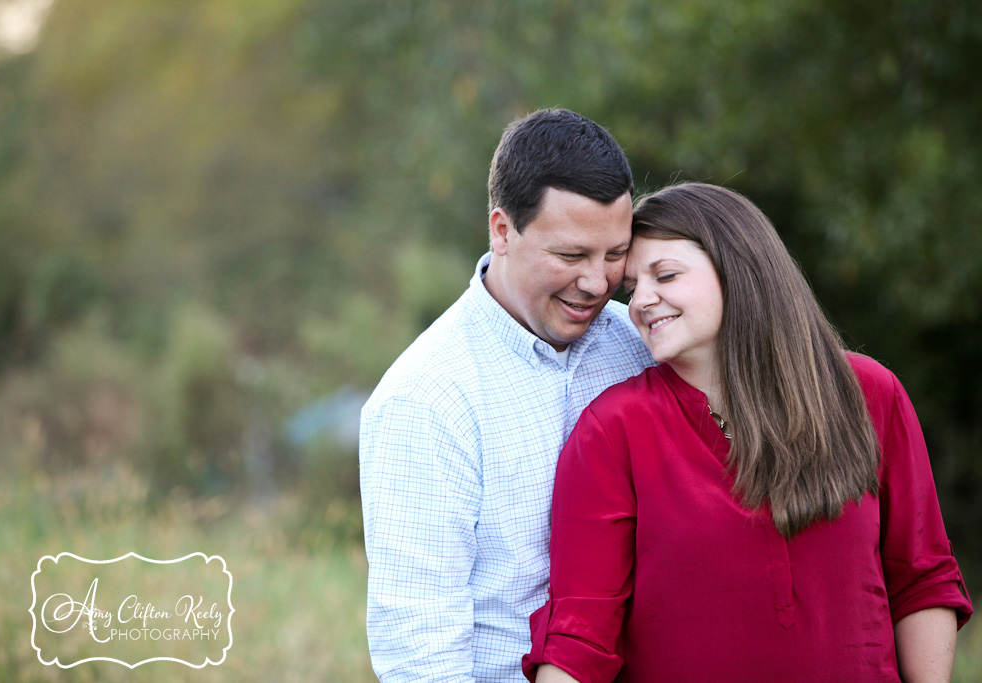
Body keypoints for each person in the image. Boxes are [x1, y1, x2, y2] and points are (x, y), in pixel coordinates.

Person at [524, 182, 973, 683]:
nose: (640, 302)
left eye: (665, 275)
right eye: (632, 287)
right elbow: (581, 632)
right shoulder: (613, 429)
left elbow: (921, 576)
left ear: (737, 267)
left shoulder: (869, 394)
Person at [360, 108, 656, 682]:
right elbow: (421, 651)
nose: (597, 282)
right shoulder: (425, 399)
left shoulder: (643, 344)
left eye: (614, 254)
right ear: (502, 230)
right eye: (571, 256)